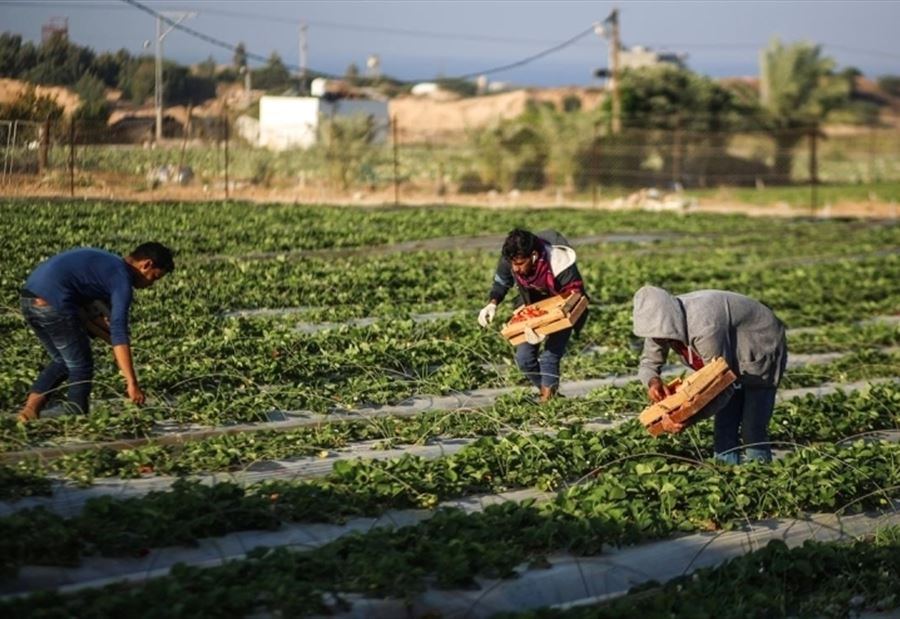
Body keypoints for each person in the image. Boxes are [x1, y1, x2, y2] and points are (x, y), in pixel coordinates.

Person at [16, 243, 175, 422]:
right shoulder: (122, 279)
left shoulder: (108, 264)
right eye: (154, 277)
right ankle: (77, 422)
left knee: (64, 360)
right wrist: (132, 383)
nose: (151, 284)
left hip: (29, 299)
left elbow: (90, 320)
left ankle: (29, 411)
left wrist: (115, 344)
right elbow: (118, 330)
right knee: (82, 366)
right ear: (146, 264)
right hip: (53, 304)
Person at [632, 285, 788, 464]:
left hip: (759, 343)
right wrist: (653, 382)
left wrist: (687, 418)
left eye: (661, 335)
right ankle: (726, 479)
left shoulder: (705, 326)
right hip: (727, 348)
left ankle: (762, 478)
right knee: (724, 427)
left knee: (752, 428)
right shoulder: (659, 324)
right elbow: (649, 362)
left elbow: (721, 384)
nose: (658, 339)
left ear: (669, 321)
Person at [477, 229, 588, 402]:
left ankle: (547, 402)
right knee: (524, 359)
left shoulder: (559, 261)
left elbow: (574, 295)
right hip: (532, 307)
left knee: (549, 357)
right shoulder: (511, 257)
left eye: (521, 263)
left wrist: (549, 323)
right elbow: (502, 282)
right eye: (513, 263)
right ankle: (550, 395)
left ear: (534, 256)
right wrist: (492, 304)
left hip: (564, 309)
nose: (516, 268)